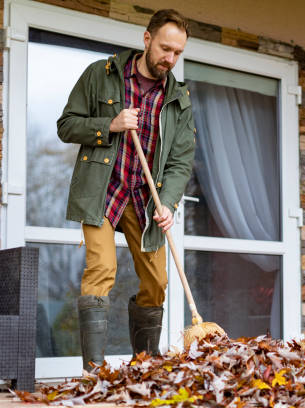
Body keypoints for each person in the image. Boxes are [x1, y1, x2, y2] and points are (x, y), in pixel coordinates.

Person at [57, 9, 195, 371]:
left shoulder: (179, 100)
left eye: (178, 52)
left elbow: (180, 162)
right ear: (146, 39)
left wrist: (167, 204)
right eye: (165, 48)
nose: (171, 58)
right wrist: (110, 124)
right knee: (102, 267)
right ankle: (95, 371)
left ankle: (144, 364)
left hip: (145, 200)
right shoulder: (101, 76)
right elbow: (67, 126)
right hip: (103, 191)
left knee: (157, 281)